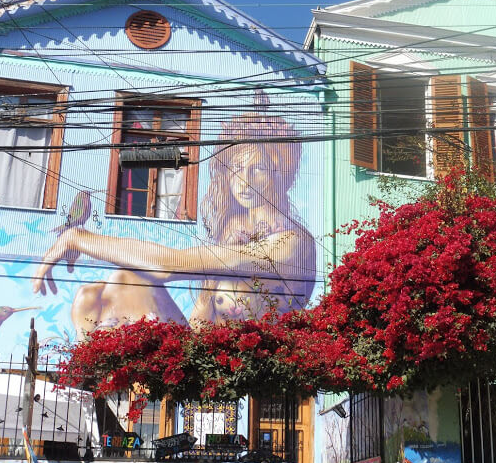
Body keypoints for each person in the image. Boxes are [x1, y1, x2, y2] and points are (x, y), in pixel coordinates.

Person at [32, 90, 316, 337]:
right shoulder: (232, 235)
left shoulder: (290, 244)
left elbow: (169, 264)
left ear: (281, 175)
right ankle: (99, 381)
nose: (244, 182)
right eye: (237, 169)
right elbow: (200, 321)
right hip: (210, 360)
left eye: (259, 169)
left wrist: (78, 238)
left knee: (129, 279)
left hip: (254, 366)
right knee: (91, 295)